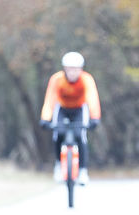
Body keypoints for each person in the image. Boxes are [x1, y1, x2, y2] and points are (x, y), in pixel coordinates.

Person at [39, 51, 101, 185]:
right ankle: (58, 166)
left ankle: (83, 171)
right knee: (58, 134)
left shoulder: (86, 79)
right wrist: (45, 118)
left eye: (75, 69)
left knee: (80, 135)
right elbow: (50, 99)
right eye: (69, 69)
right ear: (64, 69)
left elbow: (92, 98)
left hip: (79, 109)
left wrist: (95, 118)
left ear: (81, 69)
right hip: (62, 109)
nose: (72, 72)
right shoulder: (57, 79)